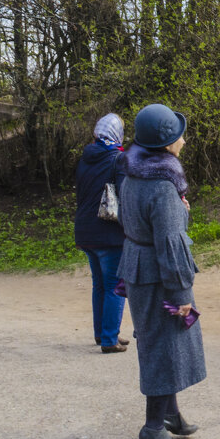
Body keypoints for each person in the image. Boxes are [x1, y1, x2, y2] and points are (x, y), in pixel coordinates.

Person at [118, 103, 206, 439]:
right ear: (168, 143)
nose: (184, 139)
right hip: (159, 275)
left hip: (138, 267)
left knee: (162, 342)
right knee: (162, 346)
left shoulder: (133, 172)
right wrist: (182, 293)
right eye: (179, 134)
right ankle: (153, 426)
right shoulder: (163, 185)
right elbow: (170, 245)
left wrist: (178, 213)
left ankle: (170, 414)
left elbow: (136, 221)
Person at [74, 113, 130, 353]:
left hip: (85, 230)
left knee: (99, 284)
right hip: (108, 232)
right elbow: (124, 194)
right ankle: (109, 339)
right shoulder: (118, 159)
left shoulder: (85, 159)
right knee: (115, 285)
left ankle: (102, 333)